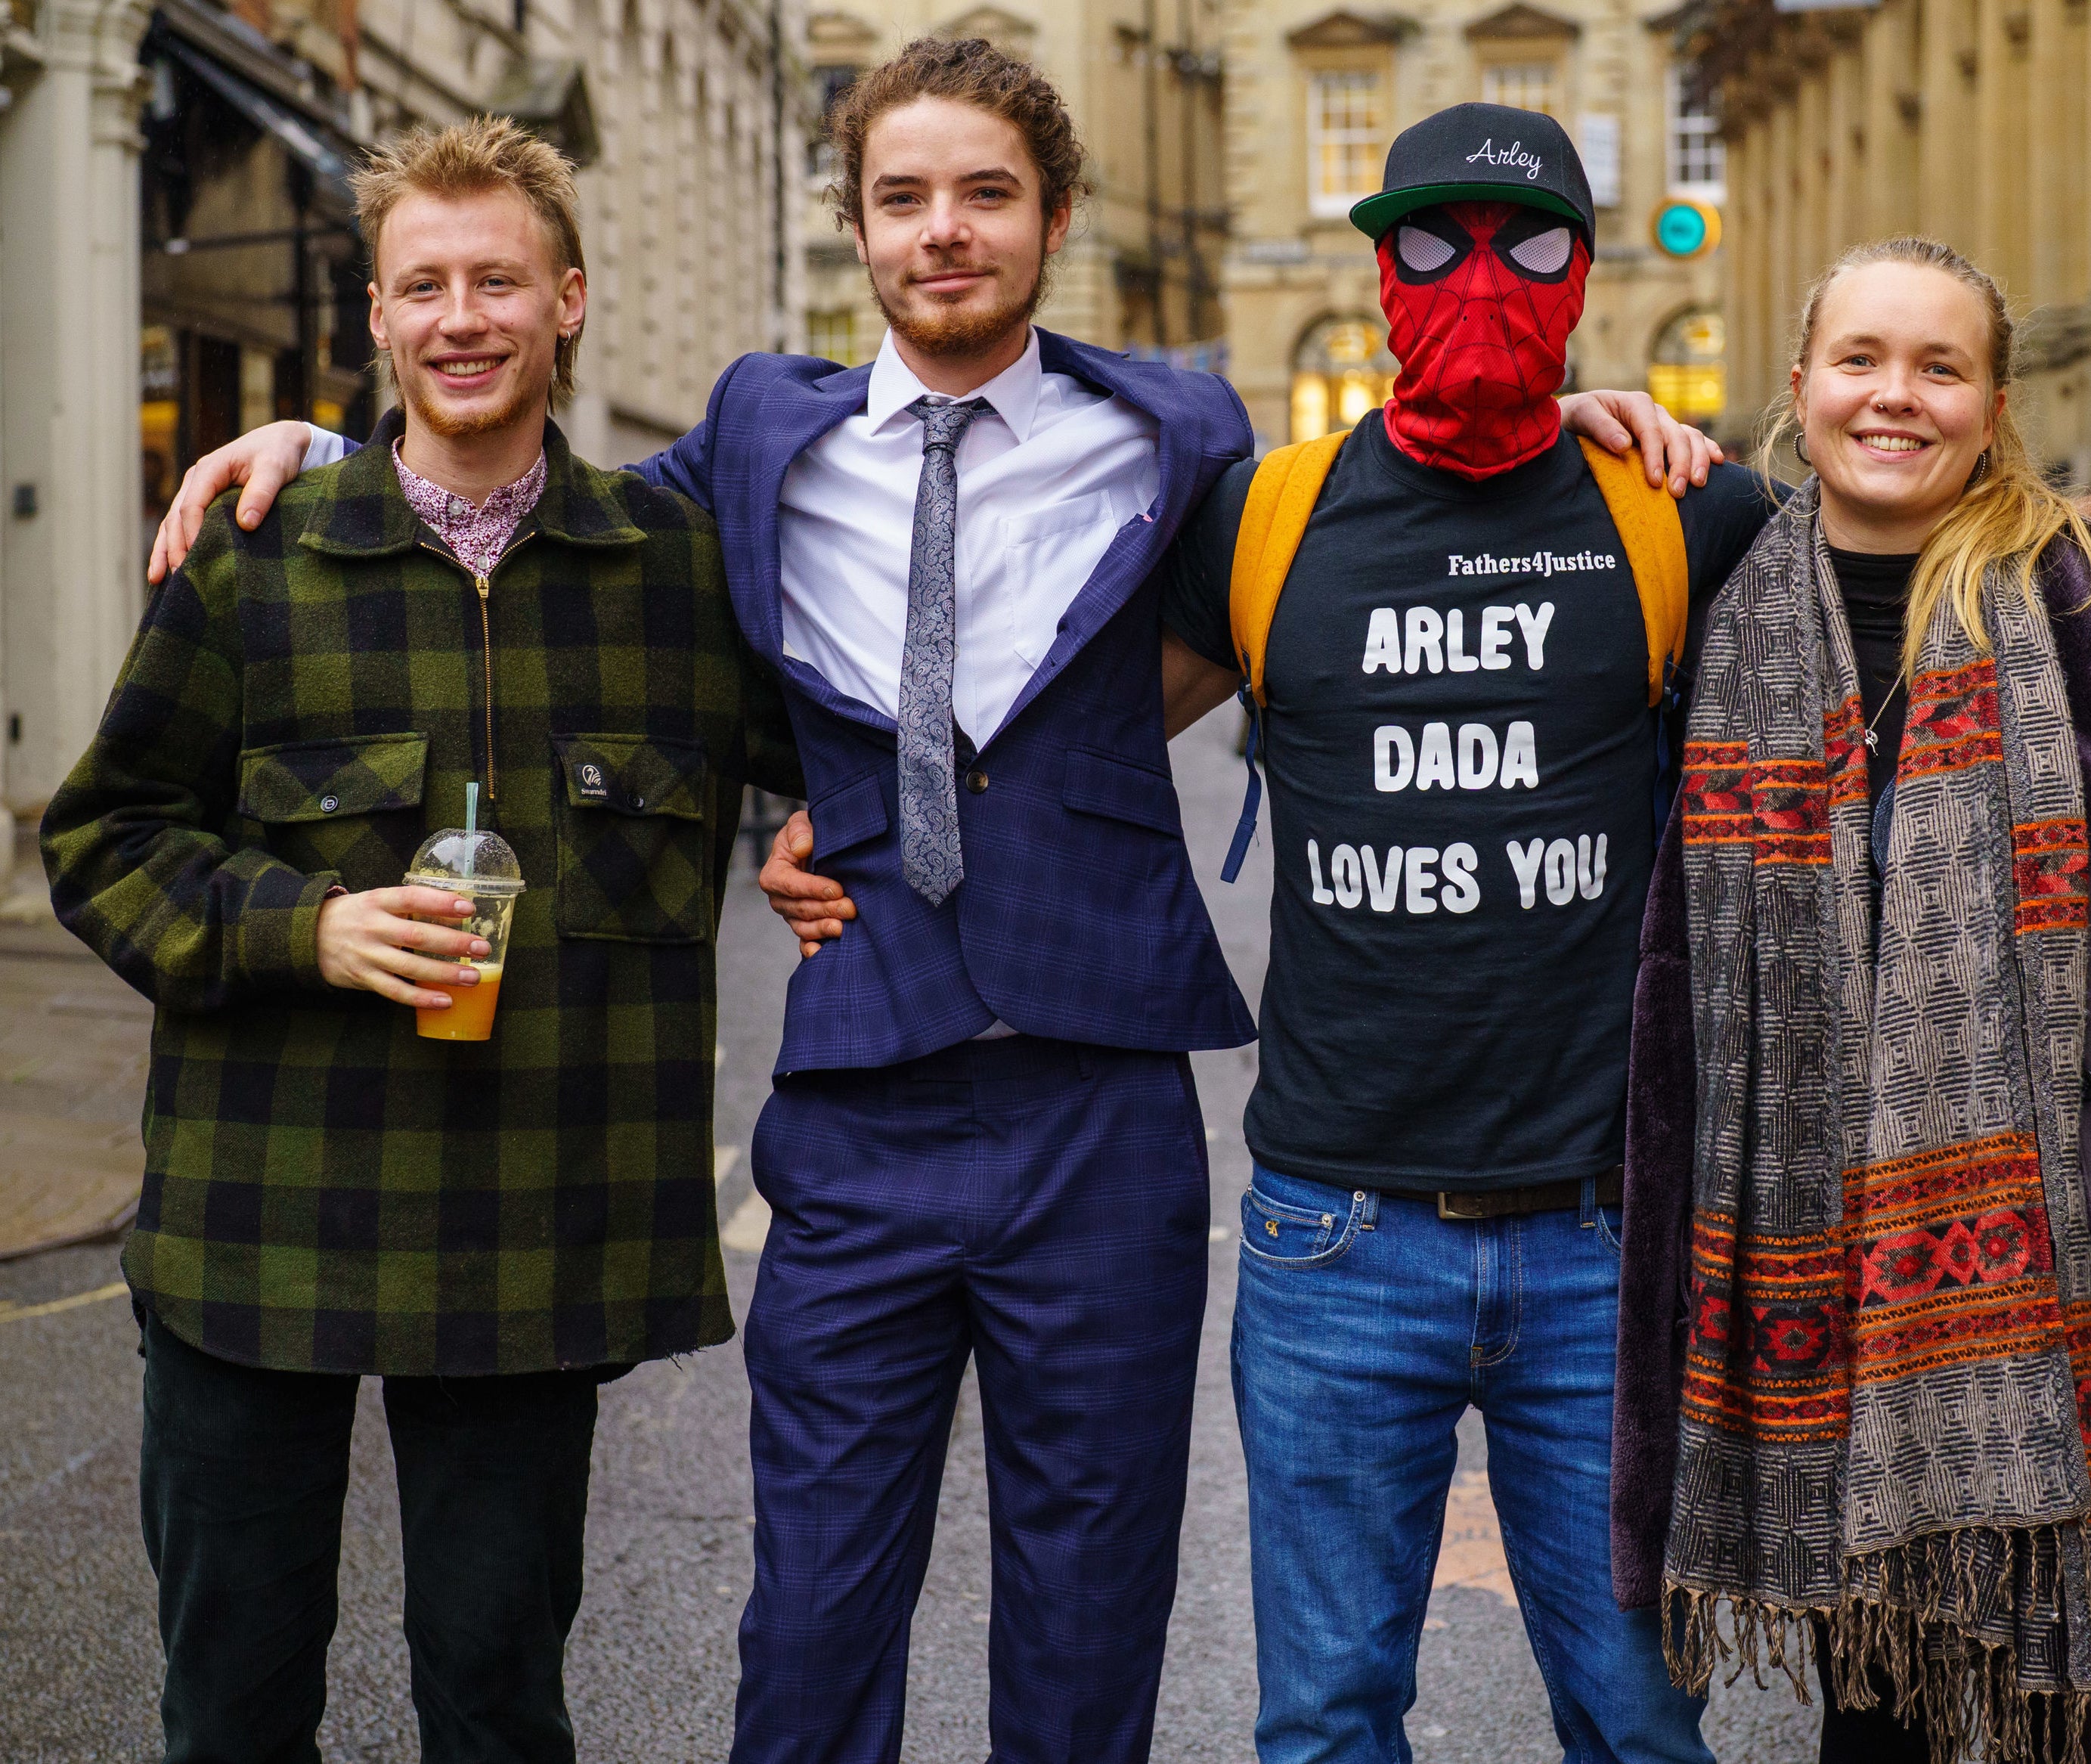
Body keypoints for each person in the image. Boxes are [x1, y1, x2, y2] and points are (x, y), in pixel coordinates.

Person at [146, 49, 1724, 1762]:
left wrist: (1570, 422)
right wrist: (330, 440)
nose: (943, 232)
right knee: (813, 1625)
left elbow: (1392, 499)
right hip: (860, 1099)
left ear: (1052, 218)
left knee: (1088, 1614)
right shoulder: (758, 432)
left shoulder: (1185, 432)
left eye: (984, 193)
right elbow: (531, 513)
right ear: (858, 228)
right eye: (903, 198)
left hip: (1102, 1105)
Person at [770, 119, 2091, 1763]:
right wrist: (838, 808)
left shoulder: (1671, 509)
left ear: (1588, 273)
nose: (1479, 286)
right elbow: (1054, 744)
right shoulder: (1265, 518)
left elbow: (1906, 567)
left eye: (1529, 246)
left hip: (1597, 1241)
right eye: (1433, 245)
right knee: (1328, 1724)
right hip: (1334, 1237)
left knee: (1634, 1725)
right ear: (1376, 266)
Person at [43, 118, 799, 1762]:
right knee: (233, 1713)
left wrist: (818, 831)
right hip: (264, 1231)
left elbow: (852, 771)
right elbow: (102, 837)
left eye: (499, 282)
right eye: (425, 287)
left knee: (498, 1705)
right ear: (376, 321)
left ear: (569, 300)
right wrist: (297, 926)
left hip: (535, 1244)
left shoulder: (679, 574)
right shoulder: (257, 563)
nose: (463, 318)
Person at [1631, 237, 2091, 1764]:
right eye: (1861, 360)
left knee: (2071, 1738)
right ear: (1799, 387)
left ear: (1994, 407)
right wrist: (1580, 406)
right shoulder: (1712, 615)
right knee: (1873, 1739)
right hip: (1820, 1322)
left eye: (1939, 368)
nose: (1895, 396)